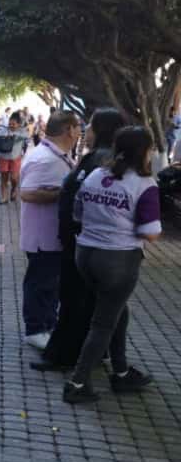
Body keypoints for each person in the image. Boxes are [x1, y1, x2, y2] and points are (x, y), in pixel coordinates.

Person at [64, 127, 161, 404]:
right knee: (103, 322)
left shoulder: (96, 175)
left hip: (86, 254)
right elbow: (150, 232)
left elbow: (78, 212)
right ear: (144, 151)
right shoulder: (144, 185)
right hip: (118, 259)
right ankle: (78, 383)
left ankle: (121, 372)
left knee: (116, 309)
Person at [37, 108, 123, 371]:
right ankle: (78, 354)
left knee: (78, 301)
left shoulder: (103, 160)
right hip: (78, 241)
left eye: (91, 127)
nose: (87, 132)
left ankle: (69, 357)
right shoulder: (96, 158)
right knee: (78, 300)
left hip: (85, 242)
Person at [18, 111, 82, 351]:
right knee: (40, 282)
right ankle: (35, 329)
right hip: (42, 236)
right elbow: (27, 192)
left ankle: (46, 324)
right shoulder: (46, 159)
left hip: (52, 236)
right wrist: (65, 193)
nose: (79, 132)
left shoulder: (57, 156)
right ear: (68, 129)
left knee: (49, 284)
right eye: (78, 127)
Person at [0, 111, 31, 204]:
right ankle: (4, 197)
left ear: (18, 124)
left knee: (14, 178)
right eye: (10, 124)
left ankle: (14, 189)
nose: (11, 125)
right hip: (3, 157)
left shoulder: (22, 131)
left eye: (13, 124)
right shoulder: (4, 130)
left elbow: (27, 137)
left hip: (15, 157)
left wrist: (15, 135)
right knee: (4, 177)